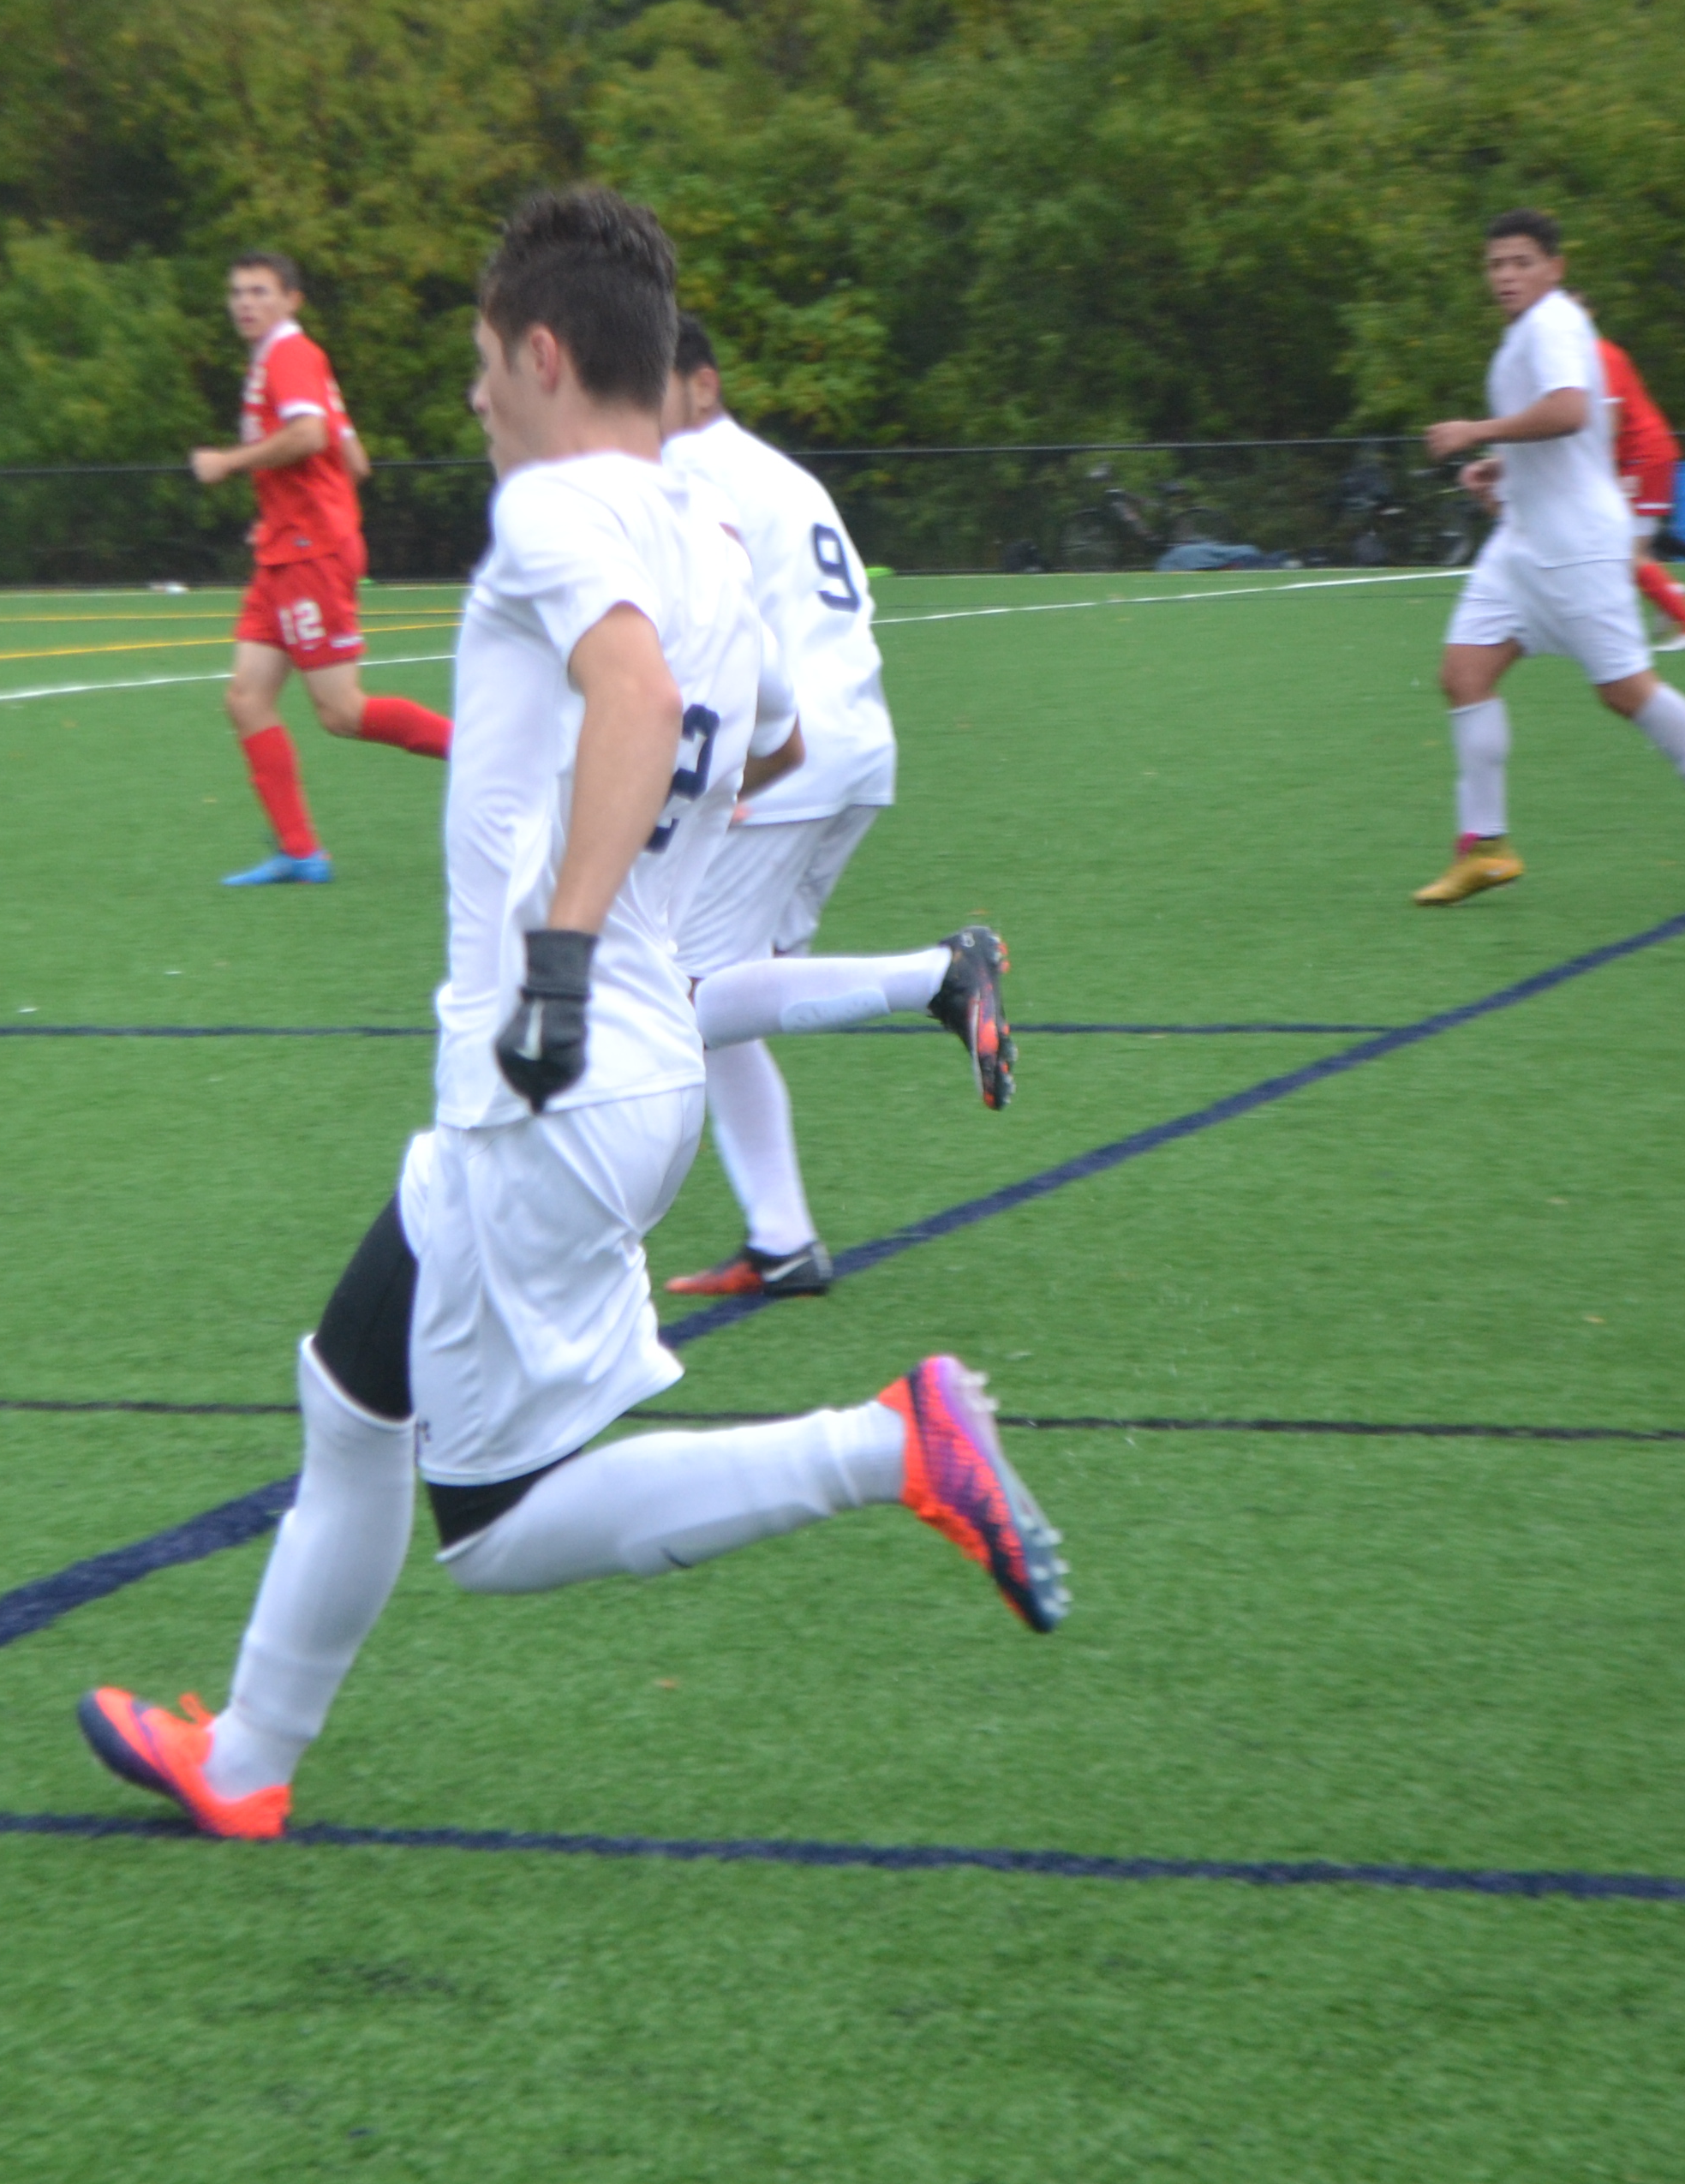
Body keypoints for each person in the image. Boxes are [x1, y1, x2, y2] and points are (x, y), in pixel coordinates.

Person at [75, 192, 1067, 1841]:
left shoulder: (554, 515)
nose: (468, 399)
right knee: (348, 1386)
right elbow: (746, 740)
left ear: (541, 354)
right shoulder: (708, 538)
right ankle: (242, 1758)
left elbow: (636, 692)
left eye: (478, 363)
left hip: (545, 1071)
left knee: (495, 1525)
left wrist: (557, 944)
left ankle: (884, 1441)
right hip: (624, 1062)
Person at [654, 315, 1009, 1304]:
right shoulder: (779, 471)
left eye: (651, 384)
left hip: (789, 752)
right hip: (857, 744)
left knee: (670, 998)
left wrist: (703, 772)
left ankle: (939, 973)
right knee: (733, 994)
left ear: (701, 385)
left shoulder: (690, 469)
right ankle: (784, 1242)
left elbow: (714, 630)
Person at [1412, 212, 1685, 907]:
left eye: (1521, 262)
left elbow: (1571, 412)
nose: (1505, 276)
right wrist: (1502, 464)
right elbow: (1573, 429)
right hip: (1523, 540)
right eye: (1495, 264)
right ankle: (1485, 847)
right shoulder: (1535, 330)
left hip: (1576, 544)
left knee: (1624, 691)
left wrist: (1476, 433)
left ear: (1555, 268)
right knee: (1464, 674)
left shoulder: (1552, 323)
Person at [191, 254, 451, 886]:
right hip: (283, 550)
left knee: (340, 711)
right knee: (247, 697)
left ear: (292, 300)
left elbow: (310, 436)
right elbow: (353, 458)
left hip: (310, 551)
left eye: (259, 291)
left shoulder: (290, 354)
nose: (244, 302)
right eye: (236, 291)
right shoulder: (287, 361)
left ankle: (491, 755)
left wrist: (231, 461)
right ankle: (301, 851)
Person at [1600, 332, 1685, 649]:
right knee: (1615, 549)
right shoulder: (1584, 354)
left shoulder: (1599, 355)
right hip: (1638, 456)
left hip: (1642, 456)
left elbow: (1610, 422)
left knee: (1624, 555)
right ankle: (1671, 595)